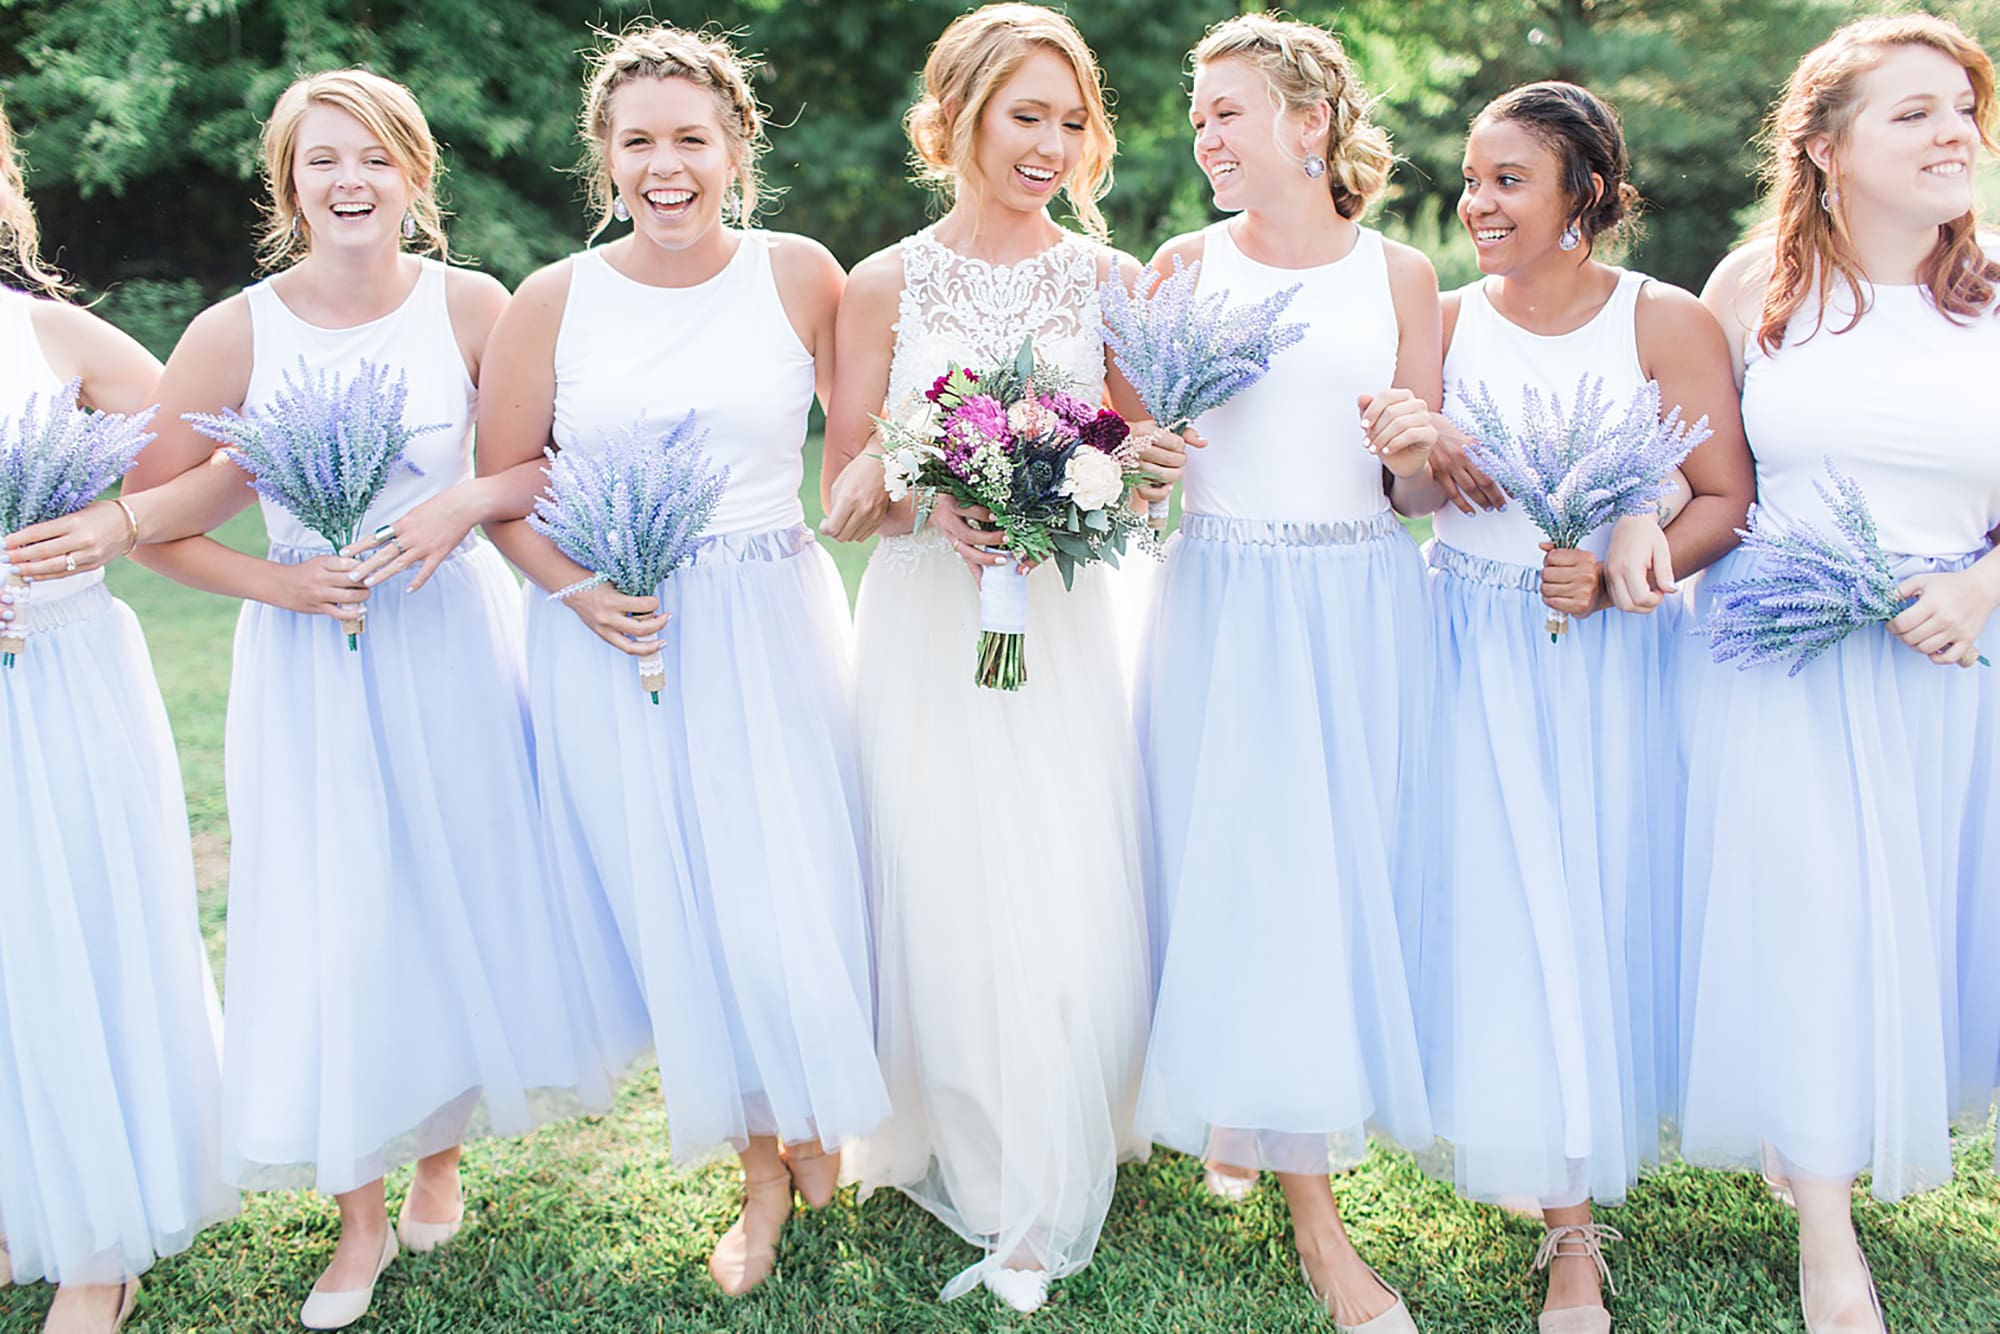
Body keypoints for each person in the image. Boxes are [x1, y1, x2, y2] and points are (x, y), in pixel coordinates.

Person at [79, 69, 619, 1330]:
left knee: (453, 890)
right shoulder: (233, 332)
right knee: (338, 916)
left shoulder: (475, 306)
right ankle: (359, 1217)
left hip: (450, 645)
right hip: (308, 663)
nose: (350, 181)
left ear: (415, 176)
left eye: (373, 157)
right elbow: (159, 521)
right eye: (322, 161)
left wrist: (463, 504)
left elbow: (542, 455)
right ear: (290, 188)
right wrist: (287, 581)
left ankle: (440, 1156)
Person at [473, 23, 889, 1299]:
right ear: (604, 158)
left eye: (690, 140)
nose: (666, 165)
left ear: (735, 149)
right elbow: (501, 494)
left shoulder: (800, 273)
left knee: (794, 886)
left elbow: (859, 461)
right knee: (694, 906)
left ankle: (823, 1120)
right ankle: (763, 1167)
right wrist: (581, 592)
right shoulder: (552, 297)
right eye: (638, 141)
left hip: (772, 615)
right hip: (621, 630)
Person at [817, 3, 1155, 1314]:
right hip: (924, 612)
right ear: (953, 117)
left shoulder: (1103, 280)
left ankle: (1048, 1163)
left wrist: (1080, 491)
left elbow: (1137, 460)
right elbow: (845, 481)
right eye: (1028, 117)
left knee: (1058, 864)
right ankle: (954, 1124)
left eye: (1073, 124)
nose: (1054, 147)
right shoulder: (883, 283)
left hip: (1059, 619)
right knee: (944, 864)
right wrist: (923, 485)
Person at [1407, 80, 1752, 1333]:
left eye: (1507, 181)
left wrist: (1623, 565)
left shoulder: (1660, 323)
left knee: (1589, 897)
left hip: (1608, 662)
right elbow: (1401, 496)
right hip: (1467, 646)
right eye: (1471, 177)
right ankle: (1547, 1181)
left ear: (1584, 197)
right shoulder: (1440, 319)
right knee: (1496, 901)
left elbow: (1720, 496)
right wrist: (1419, 457)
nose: (1476, 203)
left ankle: (1575, 1227)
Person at [1685, 15, 2000, 1333]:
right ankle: (1827, 1236)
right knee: (1811, 923)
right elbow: (1703, 484)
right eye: (1915, 111)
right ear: (1824, 147)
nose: (1955, 133)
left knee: (1915, 934)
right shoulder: (1749, 290)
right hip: (1786, 667)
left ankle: (1830, 1129)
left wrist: (1984, 585)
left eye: (1965, 109)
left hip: (1952, 663)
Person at [1131, 15, 1441, 1331]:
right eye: (1197, 117)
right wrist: (1142, 457)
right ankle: (1322, 1232)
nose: (1205, 137)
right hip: (1226, 592)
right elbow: (1133, 463)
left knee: (1333, 866)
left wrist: (1413, 442)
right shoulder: (1179, 268)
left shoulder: (1404, 275)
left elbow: (1417, 489)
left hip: (1363, 595)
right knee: (1249, 865)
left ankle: (1251, 1103)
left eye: (1227, 112)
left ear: (1309, 123)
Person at [0, 94, 238, 1334]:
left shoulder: (52, 337)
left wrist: (115, 521)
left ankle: (100, 1234)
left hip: (68, 675)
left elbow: (220, 454)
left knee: (75, 920)